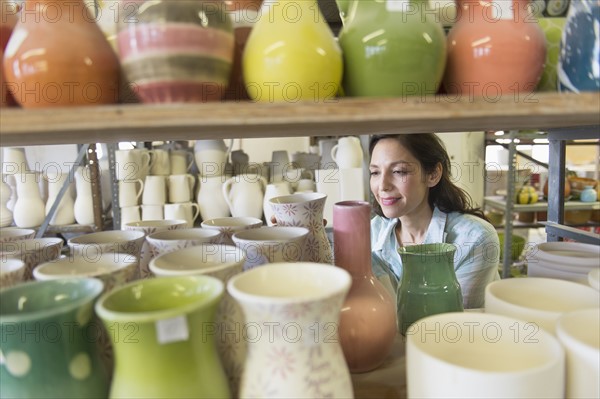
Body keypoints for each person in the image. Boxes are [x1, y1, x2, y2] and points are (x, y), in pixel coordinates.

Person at [369, 133, 500, 309]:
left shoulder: (474, 238)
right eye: (375, 172)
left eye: (399, 171)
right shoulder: (371, 232)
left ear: (433, 174)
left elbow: (452, 323)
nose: (382, 185)